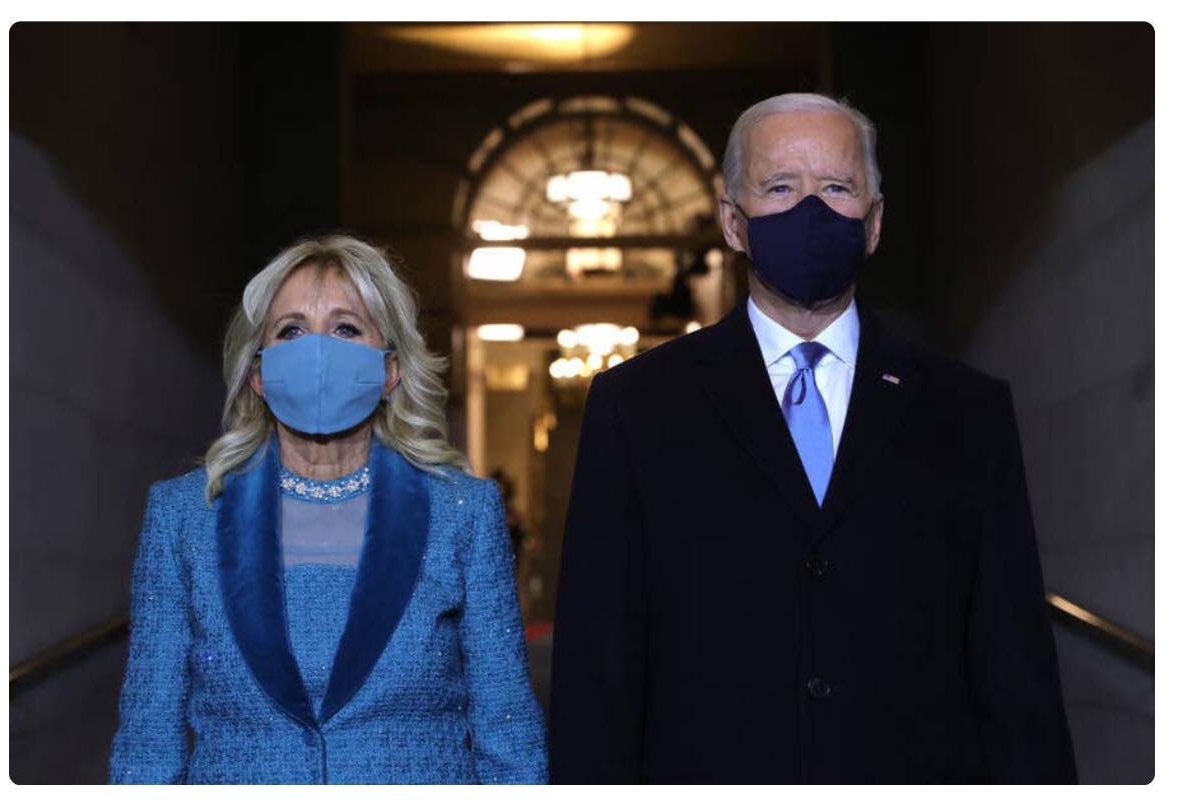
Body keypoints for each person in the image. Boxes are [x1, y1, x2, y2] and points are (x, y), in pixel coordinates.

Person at [549, 93, 1077, 783]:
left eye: (836, 187)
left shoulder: (967, 411)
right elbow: (599, 666)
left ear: (874, 222)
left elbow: (1014, 666)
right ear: (732, 221)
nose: (810, 211)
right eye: (779, 187)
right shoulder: (637, 407)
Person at [109, 235, 546, 784]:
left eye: (346, 328)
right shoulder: (184, 518)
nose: (317, 352)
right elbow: (148, 745)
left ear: (390, 370)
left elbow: (509, 736)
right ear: (258, 374)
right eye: (291, 330)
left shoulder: (463, 513)